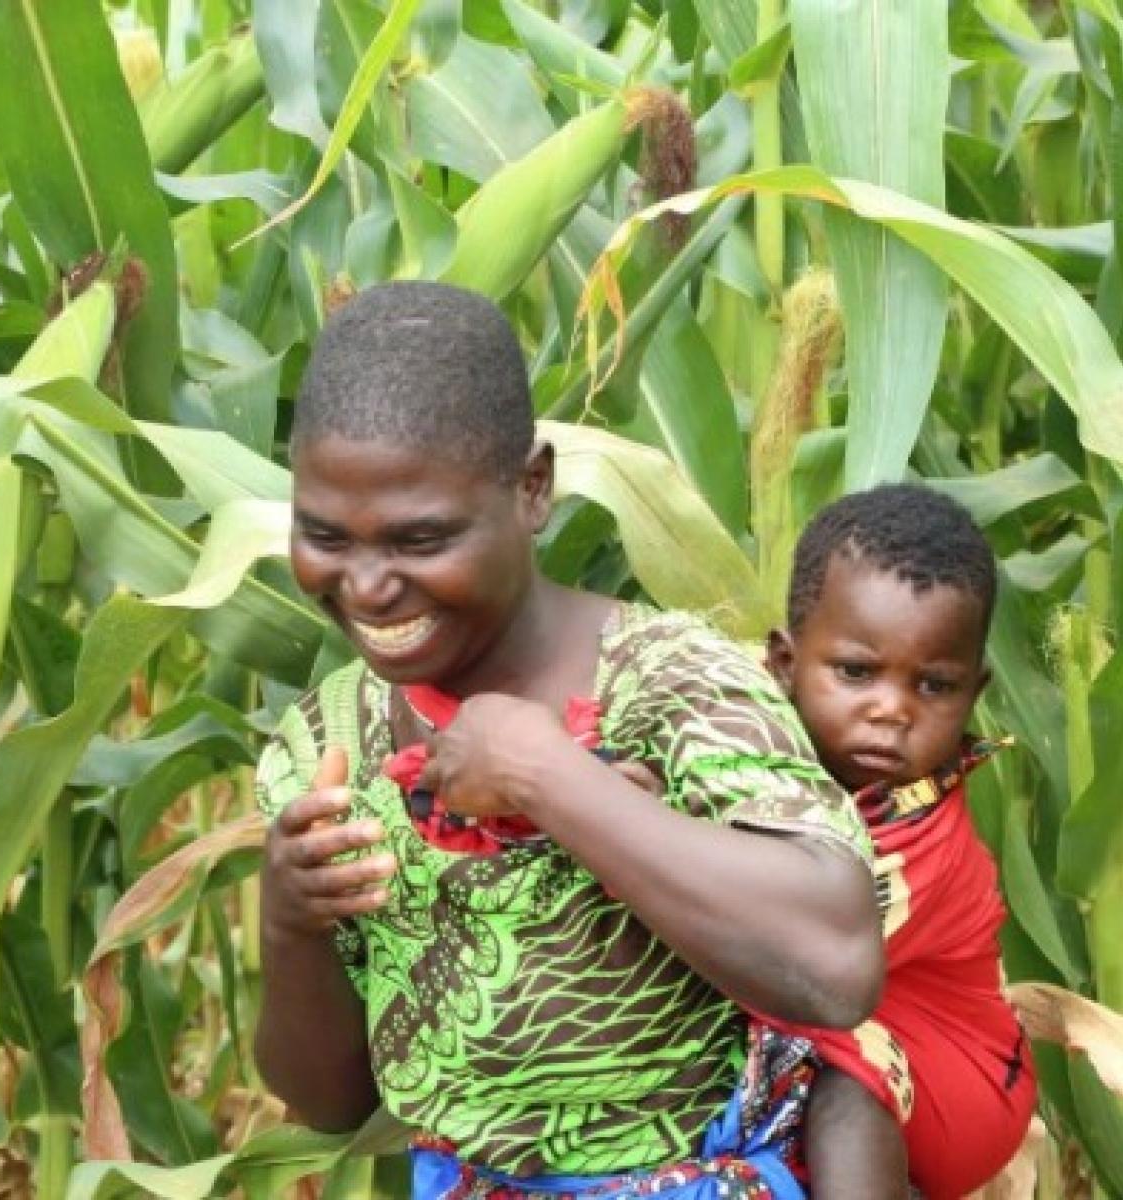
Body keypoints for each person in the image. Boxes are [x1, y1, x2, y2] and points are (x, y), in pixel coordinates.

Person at [253, 280, 884, 1200]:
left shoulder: (670, 680)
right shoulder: (323, 741)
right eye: (324, 536)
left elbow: (836, 966)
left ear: (533, 488)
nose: (368, 586)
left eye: (421, 539)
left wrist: (546, 773)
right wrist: (289, 916)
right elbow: (331, 1103)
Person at [764, 485, 1037, 1200]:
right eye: (856, 672)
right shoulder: (760, 756)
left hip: (960, 1080)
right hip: (878, 1032)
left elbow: (788, 953)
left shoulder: (919, 837)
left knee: (840, 1081)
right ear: (784, 664)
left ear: (973, 692)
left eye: (934, 686)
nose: (892, 710)